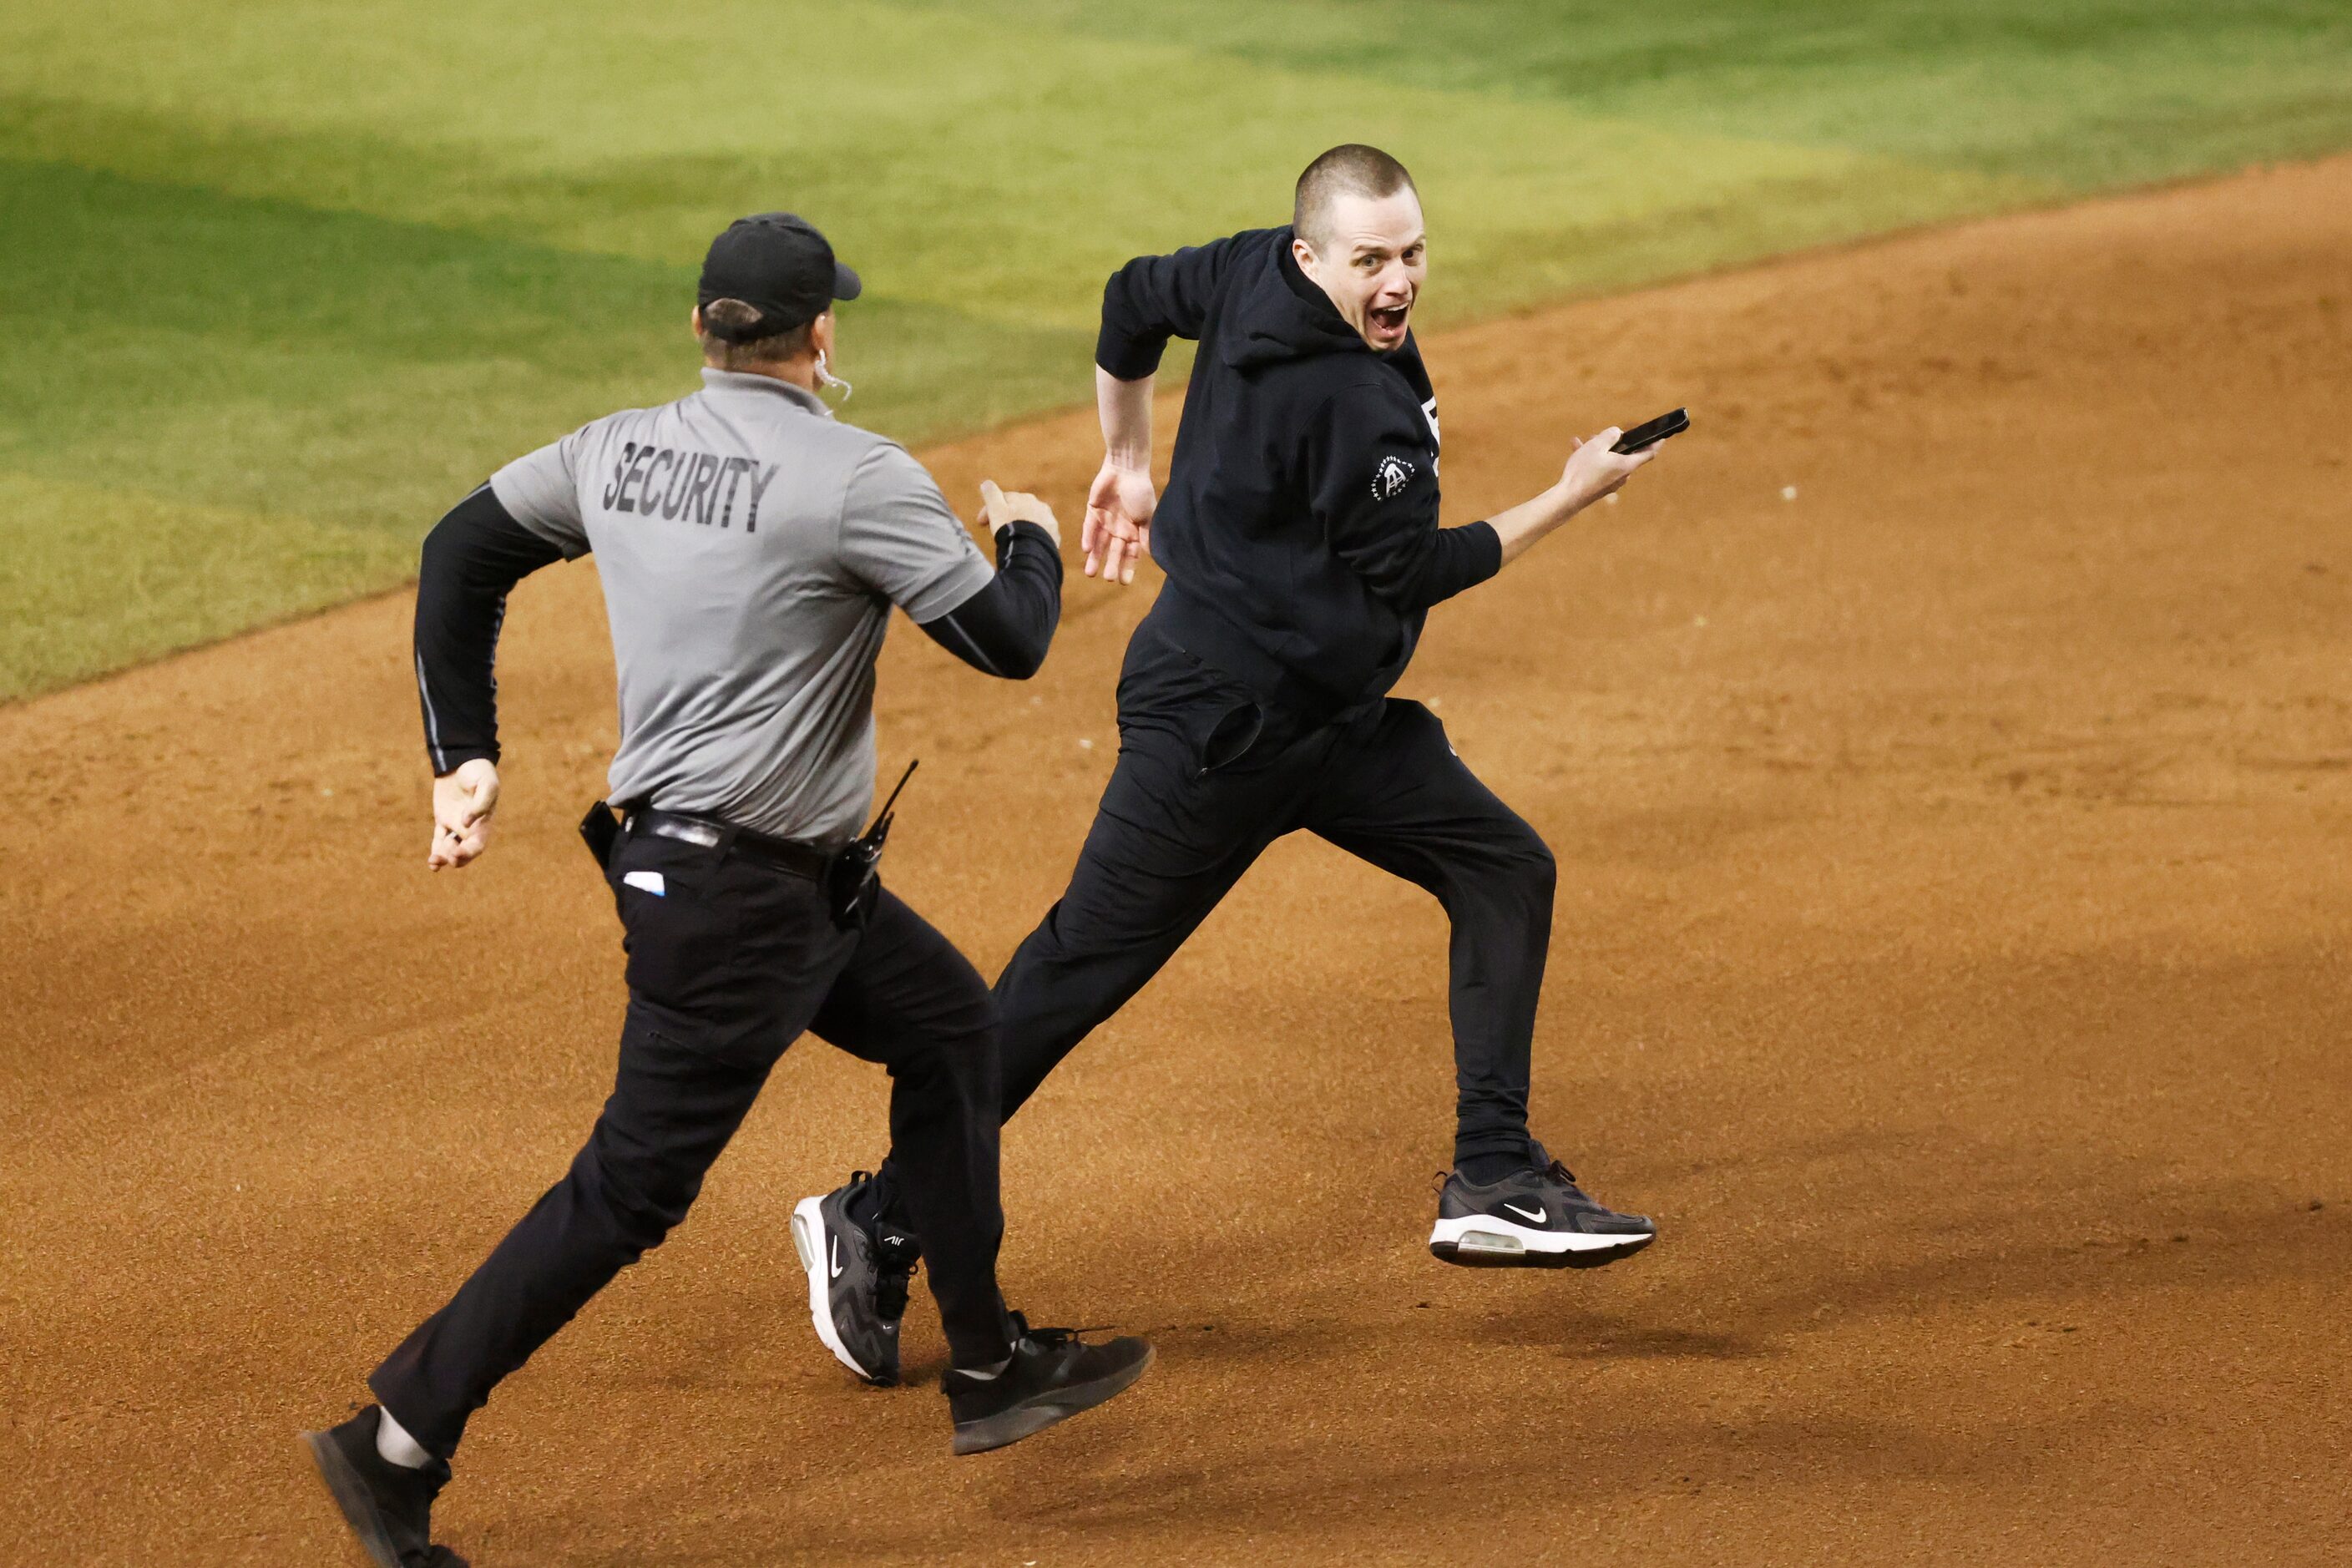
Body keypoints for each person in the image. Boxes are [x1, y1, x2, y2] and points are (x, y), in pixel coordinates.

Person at [301, 212, 1151, 1568]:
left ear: (703, 329)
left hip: (748, 878)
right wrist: (1032, 535)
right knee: (629, 1189)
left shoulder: (615, 447)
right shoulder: (856, 475)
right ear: (821, 334)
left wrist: (464, 751)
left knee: (948, 1029)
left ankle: (988, 1362)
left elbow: (462, 548)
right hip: (742, 904)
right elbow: (1011, 642)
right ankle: (396, 1437)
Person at [793, 145, 1670, 1388]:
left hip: (1325, 719)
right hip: (1222, 729)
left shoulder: (1250, 273)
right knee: (1073, 974)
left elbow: (1127, 300)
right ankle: (876, 1215)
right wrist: (1574, 491)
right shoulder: (1355, 411)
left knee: (1500, 865)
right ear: (1312, 254)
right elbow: (1415, 568)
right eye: (1370, 259)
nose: (1398, 279)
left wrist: (1128, 454)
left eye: (1410, 252)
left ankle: (1494, 1169)